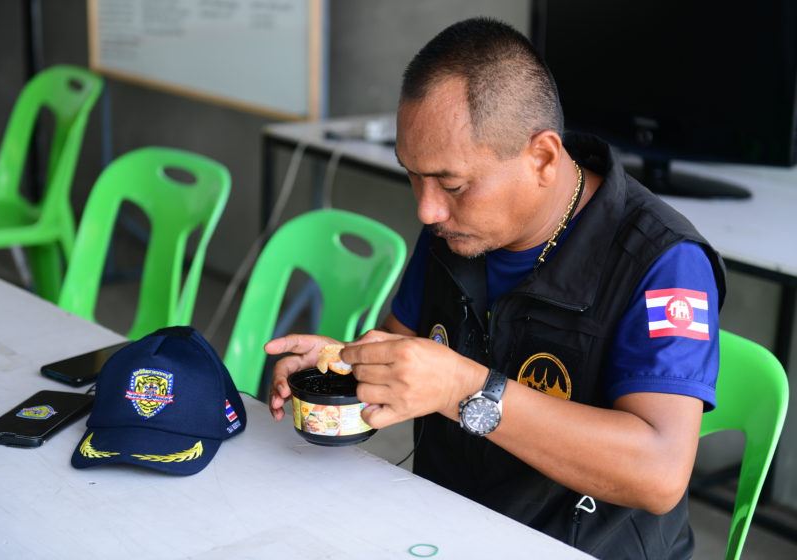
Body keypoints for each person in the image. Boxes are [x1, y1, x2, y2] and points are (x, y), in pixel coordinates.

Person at [265, 17, 725, 559]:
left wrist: (465, 389)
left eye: (453, 184)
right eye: (413, 174)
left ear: (543, 158)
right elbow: (403, 345)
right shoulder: (454, 228)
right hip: (439, 528)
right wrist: (343, 365)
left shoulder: (663, 262)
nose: (427, 209)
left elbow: (659, 472)